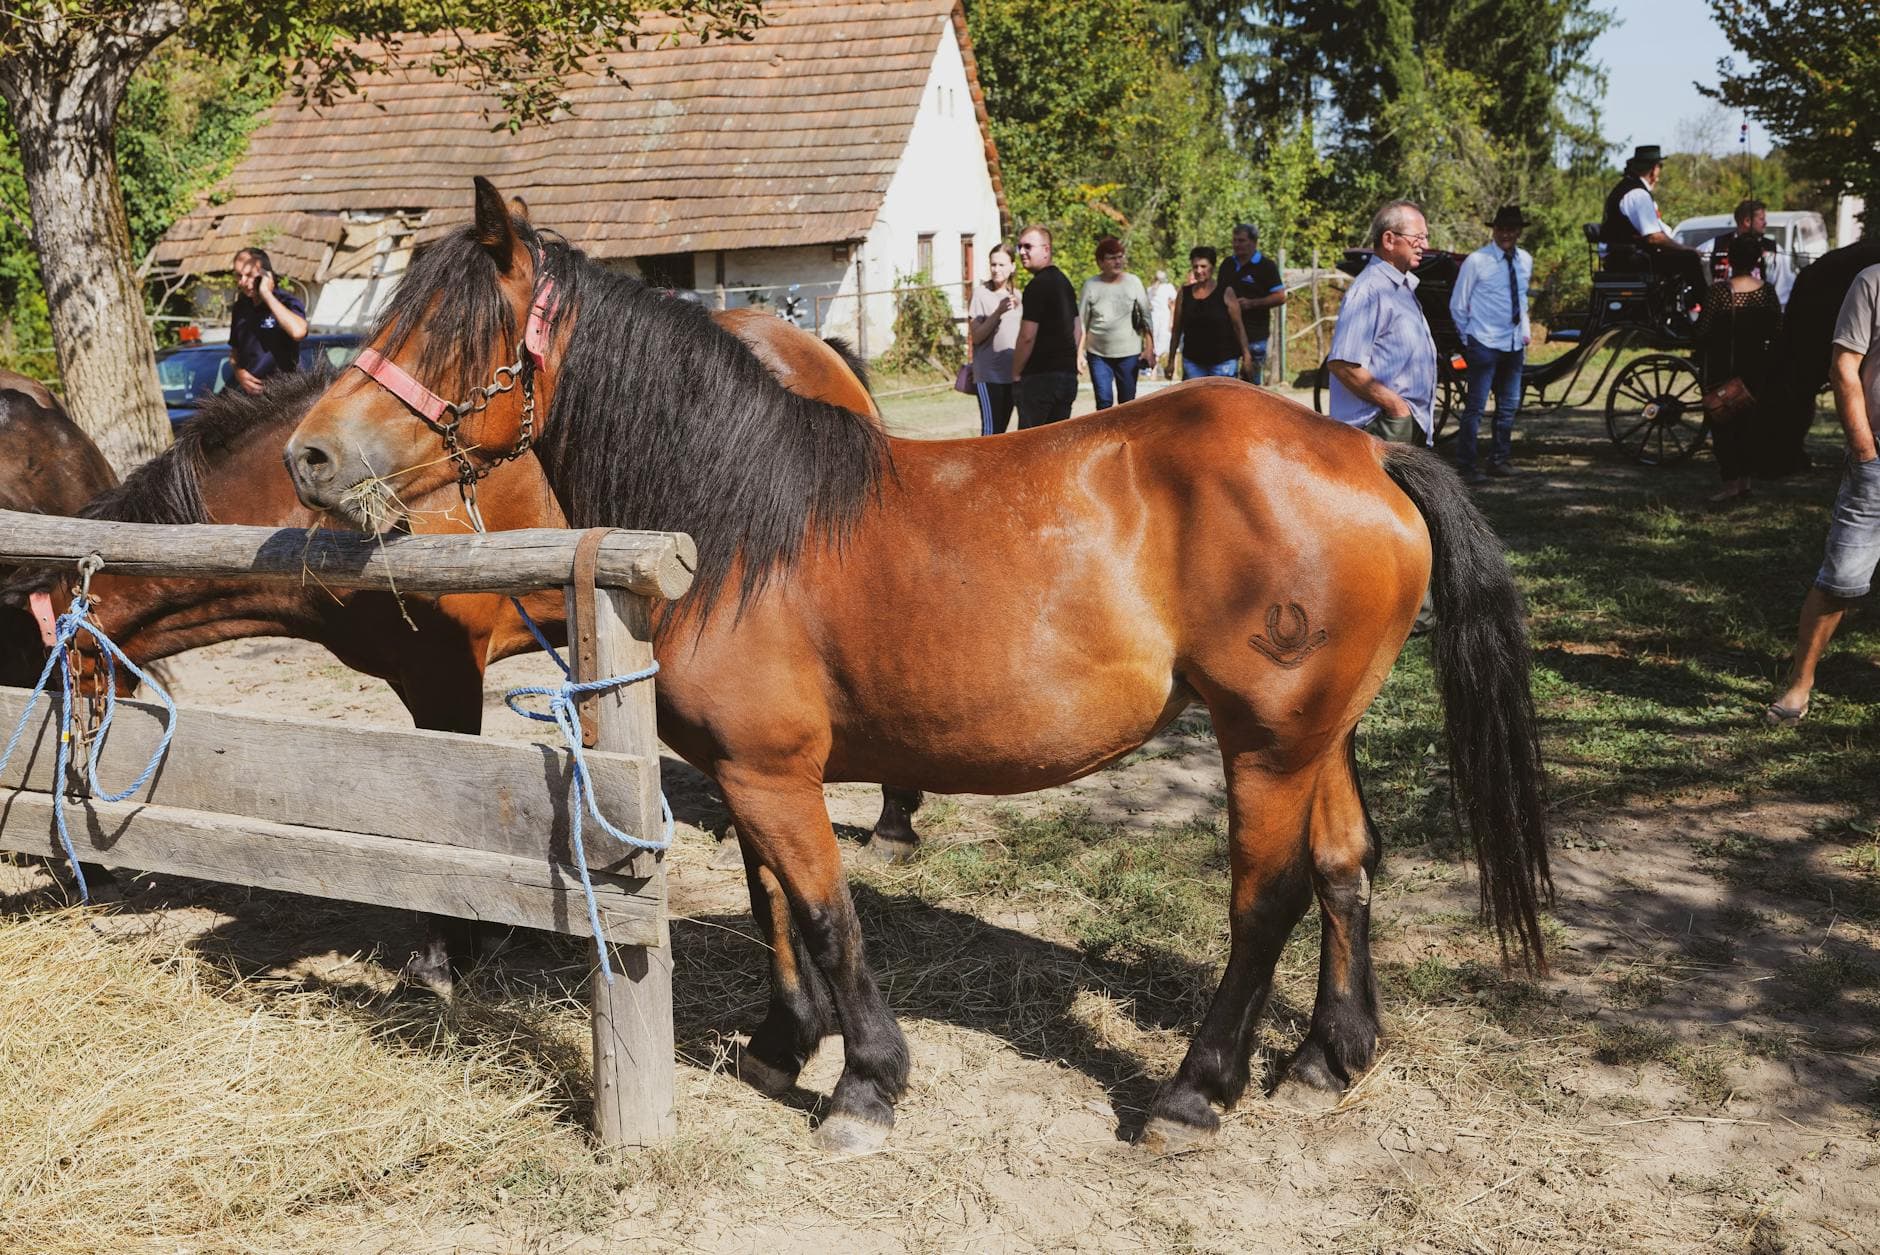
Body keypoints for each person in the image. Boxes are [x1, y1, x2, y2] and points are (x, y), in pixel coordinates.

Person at [1765, 263, 1880, 727]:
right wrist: (1865, 449)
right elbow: (1843, 366)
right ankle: (1799, 684)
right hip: (1877, 461)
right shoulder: (1872, 280)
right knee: (1840, 579)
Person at [1327, 201, 1436, 448]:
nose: (1425, 246)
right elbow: (1343, 364)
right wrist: (1396, 408)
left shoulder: (1401, 287)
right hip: (1380, 427)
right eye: (1418, 238)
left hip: (1401, 423)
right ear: (1389, 240)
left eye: (1425, 238)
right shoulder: (1369, 291)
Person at [1696, 233, 1783, 505]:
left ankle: (1730, 485)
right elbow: (1777, 330)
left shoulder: (1719, 292)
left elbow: (1703, 330)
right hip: (1757, 369)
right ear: (1757, 259)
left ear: (1730, 259)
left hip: (1724, 369)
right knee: (1749, 427)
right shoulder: (1766, 292)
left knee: (1724, 427)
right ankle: (1745, 483)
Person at [1448, 206, 1533, 482]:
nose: (1506, 234)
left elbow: (1522, 299)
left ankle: (1499, 460)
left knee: (1508, 406)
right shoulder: (1477, 261)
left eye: (1512, 229)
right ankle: (1466, 466)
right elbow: (1458, 305)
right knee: (1476, 407)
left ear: (1519, 231)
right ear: (1493, 230)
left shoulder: (1525, 260)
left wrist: (1525, 331)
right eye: (1502, 229)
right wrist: (1469, 339)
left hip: (1513, 344)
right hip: (1483, 342)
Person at [1599, 144, 1707, 326]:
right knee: (1690, 259)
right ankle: (1707, 314)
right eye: (1659, 167)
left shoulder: (1625, 189)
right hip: (1628, 260)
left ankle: (1675, 310)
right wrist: (1687, 249)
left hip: (1621, 256)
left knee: (1682, 259)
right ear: (1653, 169)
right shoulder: (1637, 194)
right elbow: (1653, 237)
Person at [1010, 226, 1081, 428]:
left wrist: (1015, 374)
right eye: (1020, 247)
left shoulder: (1037, 286)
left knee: (1029, 449)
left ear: (1046, 250)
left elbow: (1027, 336)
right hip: (1066, 377)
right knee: (1056, 449)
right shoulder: (1064, 282)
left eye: (1028, 246)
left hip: (1039, 380)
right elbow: (1077, 328)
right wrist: (1068, 359)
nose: (1022, 252)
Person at [1077, 237, 1154, 409]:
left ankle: (1126, 436)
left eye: (1120, 256)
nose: (1118, 261)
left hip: (1129, 353)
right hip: (1098, 353)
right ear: (1100, 262)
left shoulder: (1133, 282)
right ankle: (1104, 436)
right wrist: (1079, 353)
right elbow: (1082, 322)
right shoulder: (1091, 285)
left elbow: (1146, 317)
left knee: (1128, 403)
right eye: (1112, 258)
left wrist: (1149, 348)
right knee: (1103, 401)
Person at [1164, 246, 1252, 381]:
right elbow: (1177, 329)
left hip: (1223, 362)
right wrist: (1170, 361)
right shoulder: (1184, 294)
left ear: (1212, 267)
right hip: (1193, 362)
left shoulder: (1226, 292)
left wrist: (1246, 357)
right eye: (1195, 267)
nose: (1199, 271)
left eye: (1203, 266)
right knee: (1194, 401)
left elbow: (1238, 327)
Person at [228, 247, 308, 395]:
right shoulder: (240, 308)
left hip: (287, 396)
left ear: (266, 275)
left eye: (249, 275)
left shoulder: (286, 302)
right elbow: (234, 352)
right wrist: (238, 372)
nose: (242, 282)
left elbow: (298, 332)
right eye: (239, 276)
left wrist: (266, 294)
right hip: (252, 400)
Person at [1219, 223, 1287, 384]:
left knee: (1251, 386)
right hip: (1228, 335)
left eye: (1241, 240)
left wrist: (1252, 303)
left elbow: (1280, 296)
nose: (1237, 245)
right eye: (1234, 240)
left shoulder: (1266, 266)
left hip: (1255, 335)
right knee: (1225, 385)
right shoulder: (1227, 264)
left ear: (1254, 242)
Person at [968, 242, 1021, 435]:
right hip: (990, 375)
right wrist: (998, 312)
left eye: (1001, 265)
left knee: (1004, 432)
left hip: (1013, 375)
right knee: (991, 433)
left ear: (1012, 266)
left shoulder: (1017, 296)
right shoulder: (981, 294)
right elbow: (977, 336)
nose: (996, 269)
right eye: (993, 264)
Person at [1148, 269, 1178, 378]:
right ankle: (1154, 371)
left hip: (1164, 317)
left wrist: (1172, 318)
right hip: (1156, 318)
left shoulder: (1167, 288)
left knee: (1168, 342)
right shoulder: (1151, 289)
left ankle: (1171, 371)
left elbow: (1174, 302)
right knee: (1155, 343)